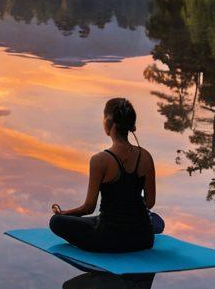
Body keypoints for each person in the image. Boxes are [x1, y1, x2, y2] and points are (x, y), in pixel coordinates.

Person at [49, 98, 162, 253]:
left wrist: (65, 214)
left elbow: (89, 207)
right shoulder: (146, 156)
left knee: (56, 222)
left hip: (108, 238)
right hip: (143, 238)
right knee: (100, 219)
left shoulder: (100, 160)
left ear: (110, 123)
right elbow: (150, 202)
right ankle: (145, 223)